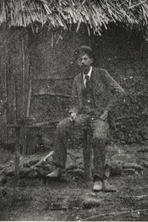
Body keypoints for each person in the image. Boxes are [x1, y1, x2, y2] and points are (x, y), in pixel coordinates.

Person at [46, 45, 125, 192]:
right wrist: (73, 112)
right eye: (79, 59)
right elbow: (74, 101)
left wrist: (107, 111)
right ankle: (58, 167)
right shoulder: (77, 79)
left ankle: (99, 179)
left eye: (85, 59)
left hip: (99, 116)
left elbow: (119, 92)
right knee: (61, 127)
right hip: (83, 116)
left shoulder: (102, 74)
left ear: (91, 60)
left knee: (99, 138)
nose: (82, 62)